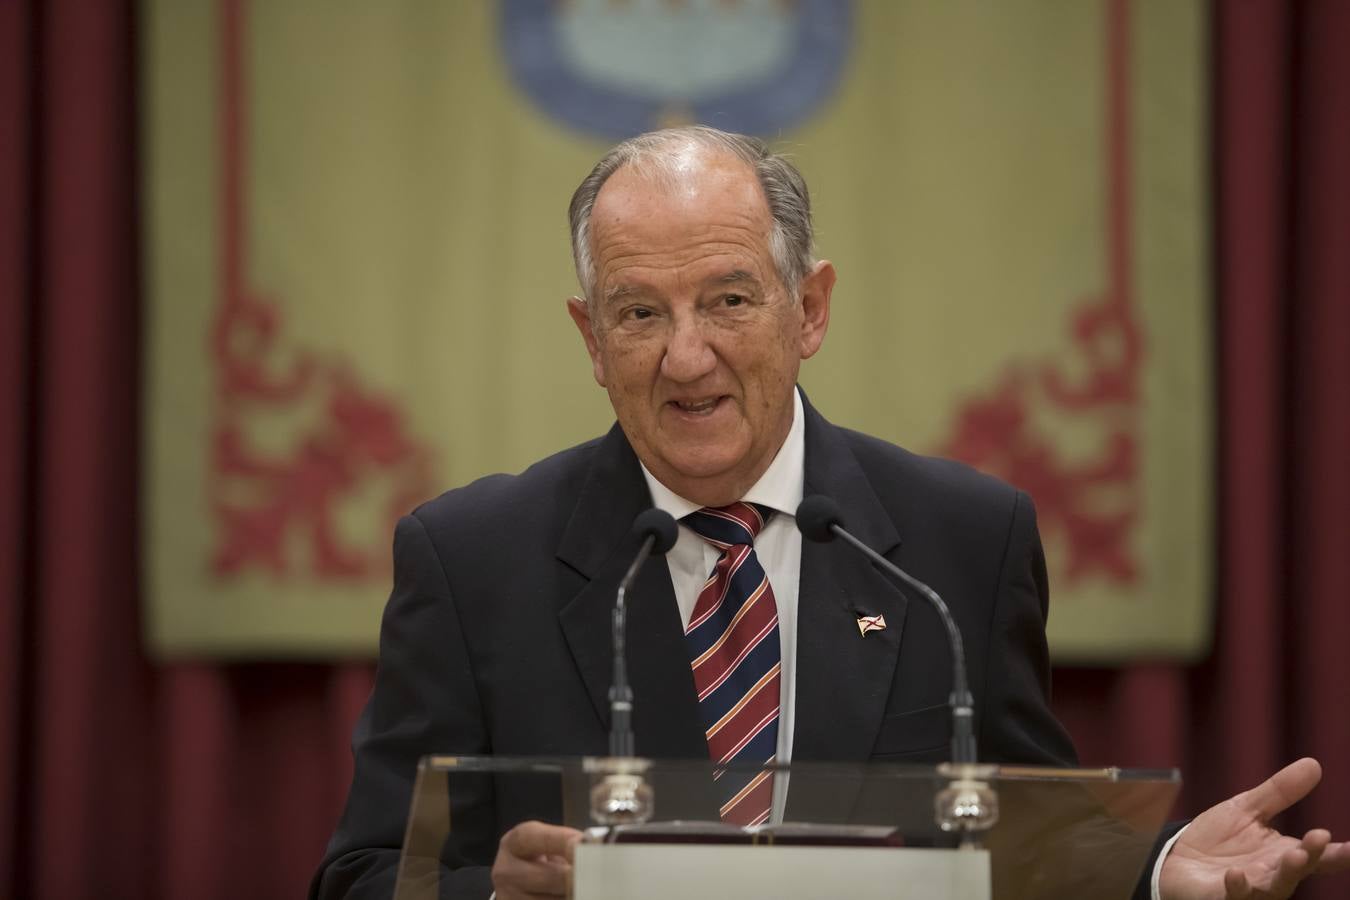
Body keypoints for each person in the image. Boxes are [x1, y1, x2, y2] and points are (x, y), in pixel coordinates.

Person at [311, 127, 1348, 900]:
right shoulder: (470, 560)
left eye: (728, 299)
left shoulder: (961, 544)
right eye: (638, 313)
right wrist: (490, 893)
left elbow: (1027, 839)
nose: (685, 357)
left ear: (808, 309)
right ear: (590, 337)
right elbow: (357, 875)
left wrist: (1163, 869)